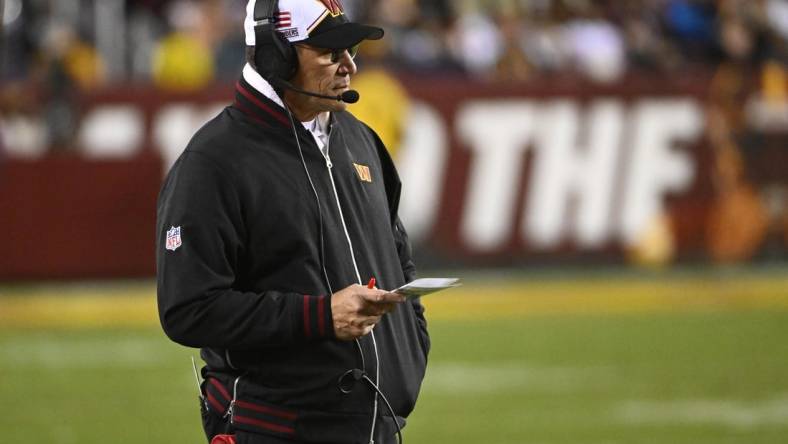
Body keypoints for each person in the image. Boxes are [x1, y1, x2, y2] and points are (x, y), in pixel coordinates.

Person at [155, 1, 429, 443]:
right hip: (276, 431)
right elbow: (188, 309)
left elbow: (398, 254)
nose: (349, 67)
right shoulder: (214, 162)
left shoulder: (359, 139)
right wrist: (320, 317)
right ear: (275, 55)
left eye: (351, 50)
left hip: (376, 429)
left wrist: (410, 348)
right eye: (329, 52)